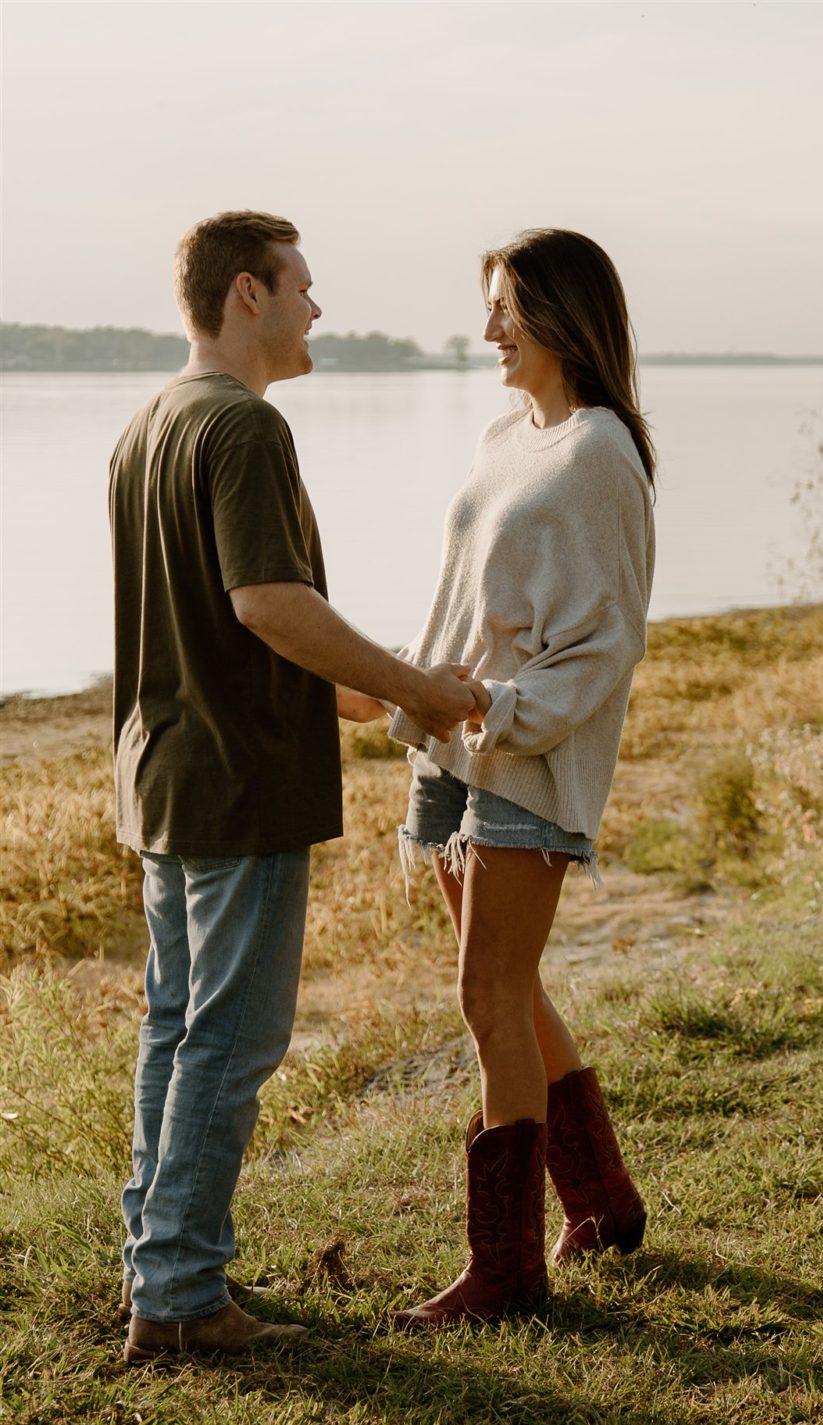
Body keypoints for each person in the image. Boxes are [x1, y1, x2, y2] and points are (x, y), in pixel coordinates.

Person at [112, 210, 475, 1363]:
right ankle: (178, 1295)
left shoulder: (148, 425)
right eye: (303, 287)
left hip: (163, 776)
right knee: (231, 1038)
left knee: (178, 1030)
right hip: (237, 784)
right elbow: (265, 602)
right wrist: (419, 684)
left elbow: (221, 624)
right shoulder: (243, 429)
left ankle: (160, 1260)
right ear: (246, 295)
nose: (321, 309)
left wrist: (359, 694)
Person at [388, 229, 655, 1329]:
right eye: (488, 307)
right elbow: (461, 592)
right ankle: (601, 1200)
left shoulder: (598, 451)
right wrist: (407, 691)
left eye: (507, 308)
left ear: (559, 316)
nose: (489, 329)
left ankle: (504, 1274)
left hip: (522, 750)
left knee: (487, 995)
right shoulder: (509, 436)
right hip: (452, 744)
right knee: (508, 981)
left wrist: (501, 709)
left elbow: (606, 642)